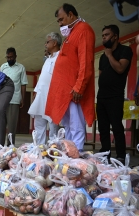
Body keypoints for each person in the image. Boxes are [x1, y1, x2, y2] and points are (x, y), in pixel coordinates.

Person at [45, 3, 95, 151]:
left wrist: (79, 86)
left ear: (71, 15)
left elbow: (86, 61)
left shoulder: (83, 30)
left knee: (76, 125)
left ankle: (77, 154)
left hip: (74, 90)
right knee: (68, 125)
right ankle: (70, 152)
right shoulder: (71, 33)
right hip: (65, 91)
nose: (60, 24)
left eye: (61, 19)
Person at [97, 25, 133, 162]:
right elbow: (101, 76)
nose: (104, 38)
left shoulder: (125, 50)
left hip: (115, 96)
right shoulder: (102, 57)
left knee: (117, 127)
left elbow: (120, 69)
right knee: (103, 128)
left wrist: (110, 54)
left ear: (115, 36)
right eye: (103, 35)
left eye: (106, 35)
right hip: (101, 96)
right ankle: (105, 155)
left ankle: (120, 157)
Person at [28, 32, 62, 145]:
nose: (45, 45)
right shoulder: (47, 59)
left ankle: (53, 151)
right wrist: (36, 92)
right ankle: (39, 150)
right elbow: (43, 77)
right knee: (39, 124)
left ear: (55, 43)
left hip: (53, 96)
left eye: (47, 42)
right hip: (41, 96)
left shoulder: (61, 57)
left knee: (53, 125)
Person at [0, 47, 28, 146]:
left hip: (14, 100)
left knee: (11, 126)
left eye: (11, 57)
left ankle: (10, 147)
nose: (9, 59)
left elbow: (23, 84)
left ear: (15, 56)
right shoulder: (3, 67)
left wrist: (22, 99)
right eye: (7, 57)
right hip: (2, 100)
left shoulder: (21, 68)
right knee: (1, 124)